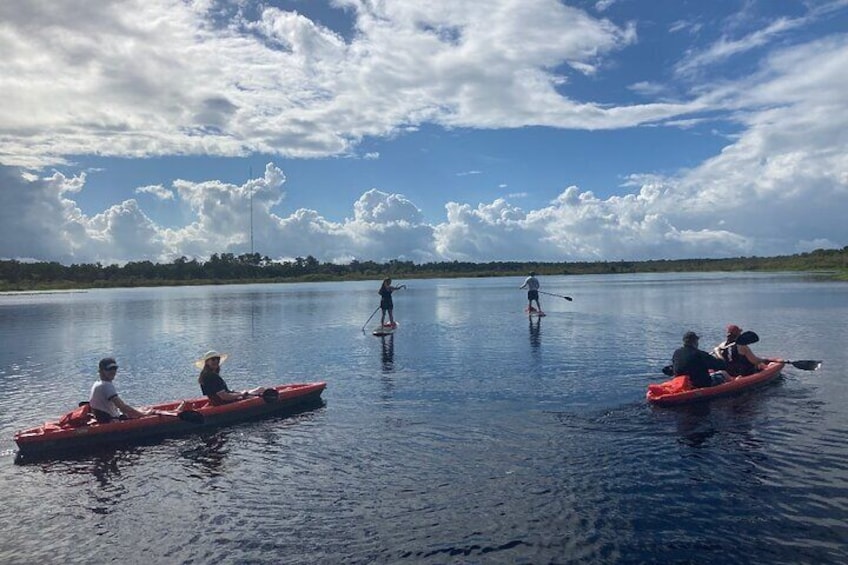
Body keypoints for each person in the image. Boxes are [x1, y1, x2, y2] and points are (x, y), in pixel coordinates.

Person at [89, 357, 147, 423]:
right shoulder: (106, 386)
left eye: (115, 368)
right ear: (101, 371)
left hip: (105, 419)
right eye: (109, 369)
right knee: (144, 412)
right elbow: (123, 407)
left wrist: (140, 411)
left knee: (142, 410)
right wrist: (143, 415)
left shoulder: (97, 384)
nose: (113, 371)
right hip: (111, 422)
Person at [196, 350, 265, 406]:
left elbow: (215, 395)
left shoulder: (205, 376)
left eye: (218, 359)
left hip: (218, 402)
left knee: (259, 389)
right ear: (207, 362)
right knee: (260, 389)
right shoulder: (212, 377)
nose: (216, 361)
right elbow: (224, 397)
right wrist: (241, 394)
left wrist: (237, 393)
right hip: (224, 402)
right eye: (213, 359)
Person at [713, 324, 779, 377]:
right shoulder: (742, 346)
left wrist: (717, 350)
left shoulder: (722, 345)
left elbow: (720, 357)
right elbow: (754, 361)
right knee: (759, 364)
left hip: (729, 371)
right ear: (738, 334)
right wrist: (765, 360)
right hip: (743, 373)